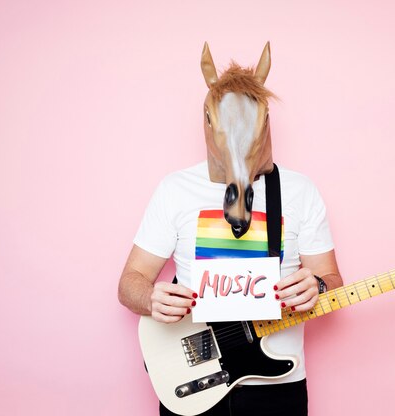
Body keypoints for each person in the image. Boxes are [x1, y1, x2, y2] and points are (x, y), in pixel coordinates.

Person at [118, 42, 343, 416]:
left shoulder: (300, 190)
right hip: (195, 383)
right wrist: (150, 297)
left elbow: (331, 280)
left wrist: (318, 286)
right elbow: (130, 282)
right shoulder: (175, 189)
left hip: (278, 386)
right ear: (209, 122)